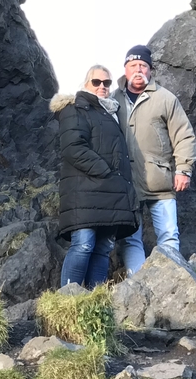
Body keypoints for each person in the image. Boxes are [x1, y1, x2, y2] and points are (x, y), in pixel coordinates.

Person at [50, 65, 139, 288]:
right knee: (83, 245)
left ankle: (94, 300)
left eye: (107, 83)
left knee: (103, 248)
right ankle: (69, 301)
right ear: (86, 84)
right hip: (86, 192)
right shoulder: (75, 108)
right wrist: (105, 171)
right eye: (96, 82)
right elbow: (73, 148)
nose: (102, 86)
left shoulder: (111, 113)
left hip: (110, 193)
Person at [112, 44, 196, 274]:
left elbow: (184, 135)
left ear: (150, 70)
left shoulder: (165, 98)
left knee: (168, 237)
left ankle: (173, 283)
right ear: (125, 69)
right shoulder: (113, 99)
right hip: (126, 185)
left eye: (143, 65)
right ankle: (137, 286)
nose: (138, 69)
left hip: (160, 182)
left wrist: (183, 170)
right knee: (130, 241)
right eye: (133, 65)